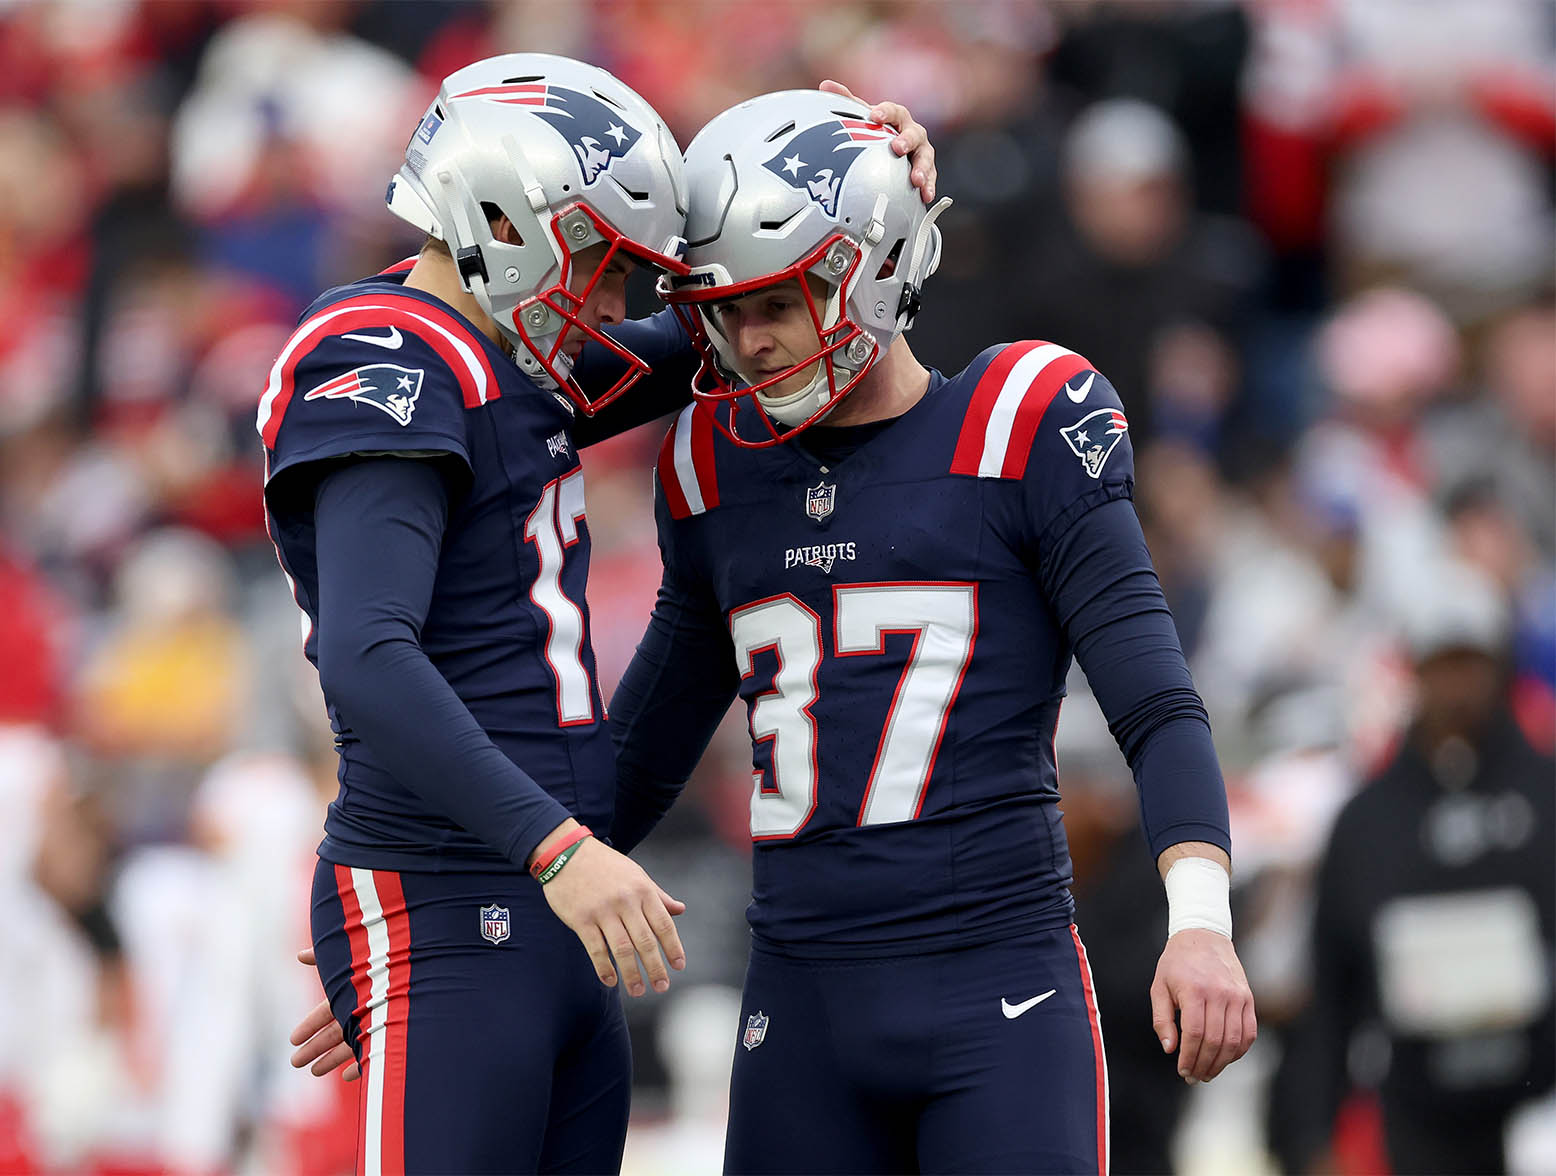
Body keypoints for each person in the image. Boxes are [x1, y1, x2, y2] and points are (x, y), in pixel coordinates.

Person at [267, 56, 936, 1174]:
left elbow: (768, 332)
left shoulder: (498, 359)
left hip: (549, 907)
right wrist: (533, 867)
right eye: (603, 263)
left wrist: (874, 201)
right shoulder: (386, 350)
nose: (618, 305)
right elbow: (366, 655)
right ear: (500, 216)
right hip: (461, 883)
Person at [604, 88, 1257, 1173]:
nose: (753, 342)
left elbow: (1154, 700)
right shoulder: (710, 466)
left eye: (784, 299)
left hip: (996, 994)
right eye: (728, 310)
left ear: (880, 262)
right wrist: (454, 922)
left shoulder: (1021, 421)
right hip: (799, 1003)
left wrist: (1199, 919)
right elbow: (634, 760)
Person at [1268, 561, 1555, 1176]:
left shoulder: (1546, 796)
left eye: (1471, 664)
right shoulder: (1368, 820)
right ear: (1414, 670)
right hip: (1419, 1107)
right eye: (1442, 664)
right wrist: (1314, 1133)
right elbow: (1332, 987)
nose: (1458, 686)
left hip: (1540, 1102)